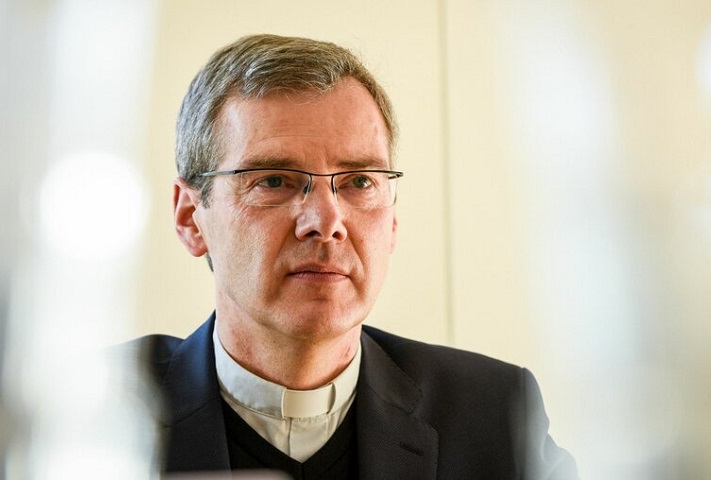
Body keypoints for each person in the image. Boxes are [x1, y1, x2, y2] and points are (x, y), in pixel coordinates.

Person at [132, 33, 578, 479]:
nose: (327, 221)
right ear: (191, 218)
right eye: (274, 181)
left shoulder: (496, 415)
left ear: (392, 220)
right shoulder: (104, 410)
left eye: (360, 182)